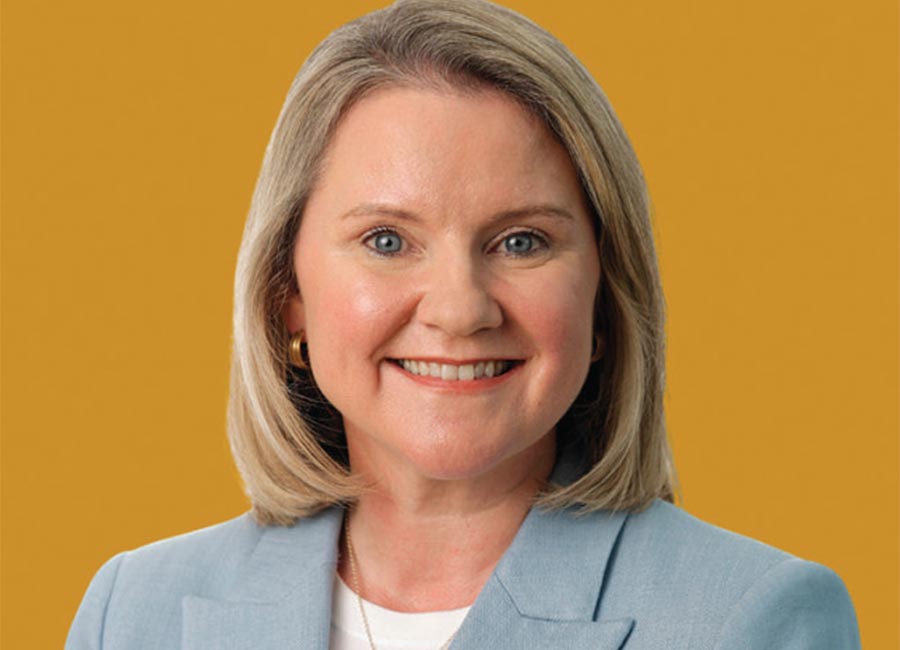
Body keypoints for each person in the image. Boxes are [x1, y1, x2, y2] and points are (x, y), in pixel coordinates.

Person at [66, 1, 861, 648]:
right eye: (387, 241)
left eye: (521, 241)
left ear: (604, 297)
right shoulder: (132, 614)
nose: (459, 310)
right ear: (288, 292)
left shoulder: (754, 621)